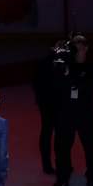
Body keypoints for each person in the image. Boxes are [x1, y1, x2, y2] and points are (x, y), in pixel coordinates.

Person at [52, 32, 93, 186]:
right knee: (63, 146)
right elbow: (56, 85)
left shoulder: (92, 67)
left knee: (89, 146)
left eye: (80, 48)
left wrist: (70, 77)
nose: (77, 52)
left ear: (86, 49)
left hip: (85, 113)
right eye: (75, 49)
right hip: (67, 112)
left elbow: (86, 86)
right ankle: (62, 177)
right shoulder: (66, 64)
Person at [33, 38, 71, 175]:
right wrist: (42, 101)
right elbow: (37, 85)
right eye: (59, 46)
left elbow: (72, 84)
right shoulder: (44, 64)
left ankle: (61, 162)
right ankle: (47, 164)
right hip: (48, 105)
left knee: (61, 134)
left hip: (61, 104)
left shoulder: (67, 63)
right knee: (48, 132)